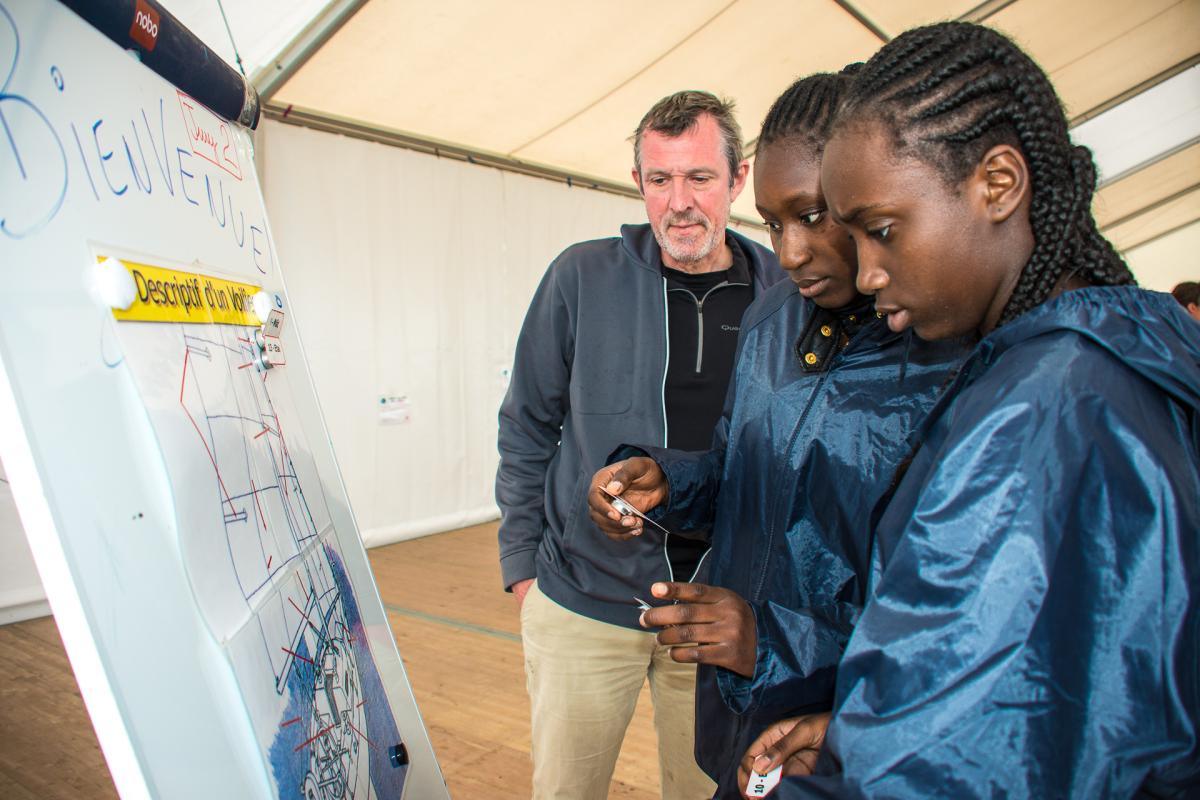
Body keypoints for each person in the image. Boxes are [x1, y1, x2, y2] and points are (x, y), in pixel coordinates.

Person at [740, 21, 1200, 798]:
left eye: (882, 231)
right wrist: (862, 731)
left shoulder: (1038, 419)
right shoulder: (1114, 350)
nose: (869, 272)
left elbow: (950, 775)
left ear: (998, 184)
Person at [586, 70, 965, 799]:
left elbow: (942, 618)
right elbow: (738, 470)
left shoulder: (941, 357)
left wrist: (772, 643)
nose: (791, 254)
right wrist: (667, 479)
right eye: (773, 224)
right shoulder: (770, 319)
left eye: (814, 217)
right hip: (735, 707)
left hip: (843, 738)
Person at [496, 90, 785, 800]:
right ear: (638, 183)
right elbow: (527, 422)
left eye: (700, 178)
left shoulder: (783, 294)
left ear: (738, 179)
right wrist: (523, 566)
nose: (679, 202)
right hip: (584, 601)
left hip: (717, 613)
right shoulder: (580, 277)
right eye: (660, 179)